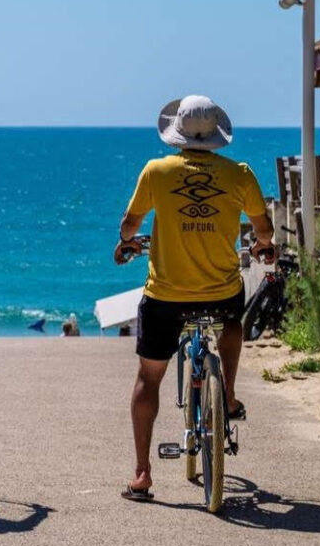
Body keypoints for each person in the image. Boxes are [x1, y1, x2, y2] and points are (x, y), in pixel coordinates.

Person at [114, 95, 275, 501]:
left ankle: (142, 473)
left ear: (177, 134)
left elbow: (130, 224)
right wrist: (262, 246)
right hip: (220, 293)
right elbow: (264, 228)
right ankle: (230, 394)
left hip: (166, 296)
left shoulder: (157, 171)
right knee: (233, 321)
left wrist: (128, 243)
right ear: (216, 135)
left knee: (148, 379)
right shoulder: (239, 174)